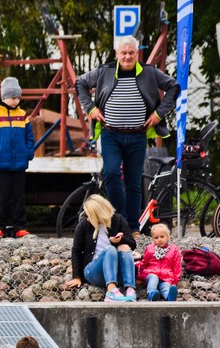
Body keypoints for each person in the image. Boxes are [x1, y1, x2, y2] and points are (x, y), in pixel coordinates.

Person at [75, 36, 180, 237]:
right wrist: (91, 109)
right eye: (123, 52)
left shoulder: (149, 72)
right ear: (117, 54)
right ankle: (119, 221)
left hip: (137, 135)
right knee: (112, 174)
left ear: (137, 53)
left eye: (131, 52)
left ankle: (133, 227)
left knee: (133, 182)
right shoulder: (104, 71)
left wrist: (159, 114)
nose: (127, 56)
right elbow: (80, 83)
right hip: (111, 134)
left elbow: (173, 87)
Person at [0, 77, 35, 239]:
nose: (16, 100)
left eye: (18, 97)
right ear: (4, 96)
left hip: (19, 163)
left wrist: (28, 152)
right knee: (2, 197)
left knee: (18, 197)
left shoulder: (22, 115)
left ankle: (20, 227)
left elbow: (29, 136)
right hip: (2, 164)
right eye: (13, 97)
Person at [64, 194, 137, 302]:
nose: (88, 218)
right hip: (93, 271)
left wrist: (121, 240)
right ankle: (111, 291)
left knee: (124, 246)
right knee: (111, 249)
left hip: (117, 272)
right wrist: (77, 276)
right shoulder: (83, 224)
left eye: (91, 215)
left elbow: (133, 245)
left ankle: (130, 290)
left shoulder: (118, 219)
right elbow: (76, 251)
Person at [137, 223, 182, 301]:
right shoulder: (150, 248)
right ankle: (152, 294)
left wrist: (175, 281)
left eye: (162, 237)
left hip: (166, 275)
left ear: (168, 237)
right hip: (152, 273)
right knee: (153, 278)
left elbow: (177, 266)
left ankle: (169, 296)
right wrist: (140, 277)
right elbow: (144, 263)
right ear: (153, 239)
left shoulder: (173, 249)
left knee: (165, 286)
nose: (159, 240)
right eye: (156, 237)